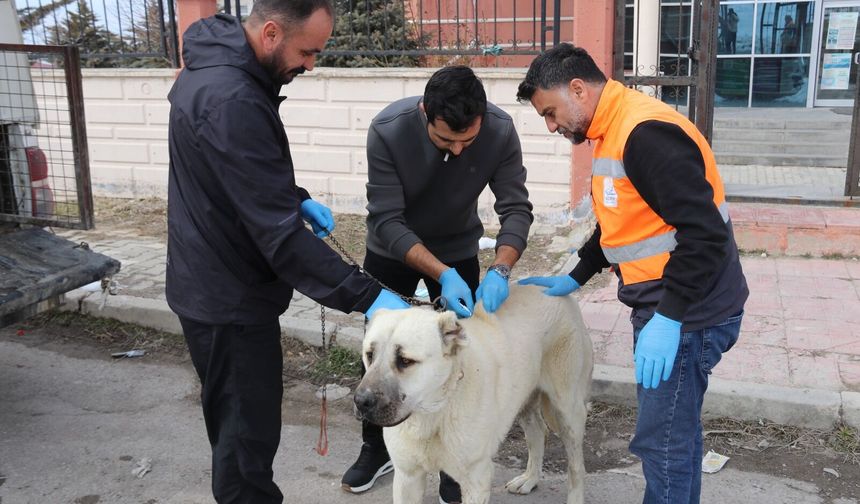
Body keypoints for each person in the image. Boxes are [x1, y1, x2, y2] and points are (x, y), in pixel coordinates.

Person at [165, 1, 409, 502]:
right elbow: (278, 237)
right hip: (227, 296)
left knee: (241, 431)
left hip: (212, 274)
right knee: (243, 443)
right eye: (307, 51)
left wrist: (293, 198)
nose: (311, 65)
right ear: (272, 32)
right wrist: (367, 296)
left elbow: (233, 172)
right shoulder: (232, 98)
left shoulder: (219, 69)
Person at [516, 44, 748, 503]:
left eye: (550, 112)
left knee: (662, 443)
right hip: (674, 307)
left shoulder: (644, 134)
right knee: (676, 436)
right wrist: (577, 275)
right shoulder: (614, 130)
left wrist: (671, 316)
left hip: (688, 313)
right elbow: (626, 225)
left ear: (578, 89)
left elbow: (704, 233)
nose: (551, 125)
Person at [340, 65, 534, 503]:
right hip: (393, 249)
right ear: (426, 112)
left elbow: (516, 209)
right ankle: (378, 447)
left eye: (469, 140)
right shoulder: (388, 131)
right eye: (447, 141)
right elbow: (387, 219)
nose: (460, 150)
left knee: (451, 358)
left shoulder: (500, 132)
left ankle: (453, 462)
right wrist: (439, 273)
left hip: (459, 247)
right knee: (386, 353)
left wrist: (501, 268)